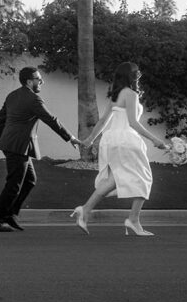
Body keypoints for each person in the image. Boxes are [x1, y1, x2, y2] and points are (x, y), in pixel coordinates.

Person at [70, 61, 167, 236]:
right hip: (126, 140)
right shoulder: (131, 94)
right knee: (144, 178)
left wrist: (90, 140)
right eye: (137, 72)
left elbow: (102, 121)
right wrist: (155, 140)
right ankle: (133, 220)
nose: (139, 75)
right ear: (131, 75)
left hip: (111, 141)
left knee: (112, 180)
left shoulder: (116, 96)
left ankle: (84, 210)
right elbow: (133, 122)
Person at [0, 67, 80, 232]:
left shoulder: (12, 95)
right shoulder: (33, 99)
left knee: (29, 180)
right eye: (38, 79)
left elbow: (1, 119)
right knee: (13, 184)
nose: (41, 82)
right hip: (17, 146)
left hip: (14, 145)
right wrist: (70, 137)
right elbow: (51, 120)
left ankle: (10, 214)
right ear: (29, 81)